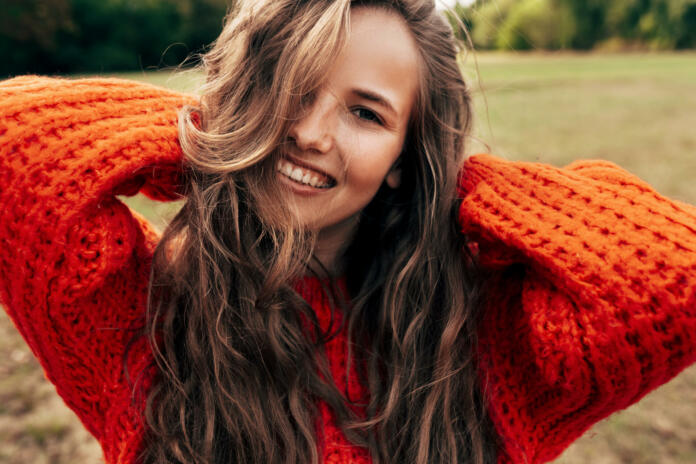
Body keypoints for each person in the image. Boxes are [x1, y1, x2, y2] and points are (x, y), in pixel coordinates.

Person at [1, 0, 695, 463]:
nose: (308, 132)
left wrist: (452, 188)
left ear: (406, 153)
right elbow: (11, 144)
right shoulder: (143, 325)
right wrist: (215, 137)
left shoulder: (475, 347)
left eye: (366, 114)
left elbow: (673, 275)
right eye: (289, 86)